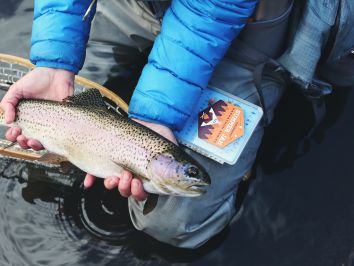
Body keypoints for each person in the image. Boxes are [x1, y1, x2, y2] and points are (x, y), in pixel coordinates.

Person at [0, 0, 291, 248]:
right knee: (65, 80)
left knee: (174, 222)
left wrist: (157, 117)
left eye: (187, 171)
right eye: (188, 171)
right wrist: (54, 61)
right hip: (140, 6)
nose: (190, 175)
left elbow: (209, 13)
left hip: (236, 29)